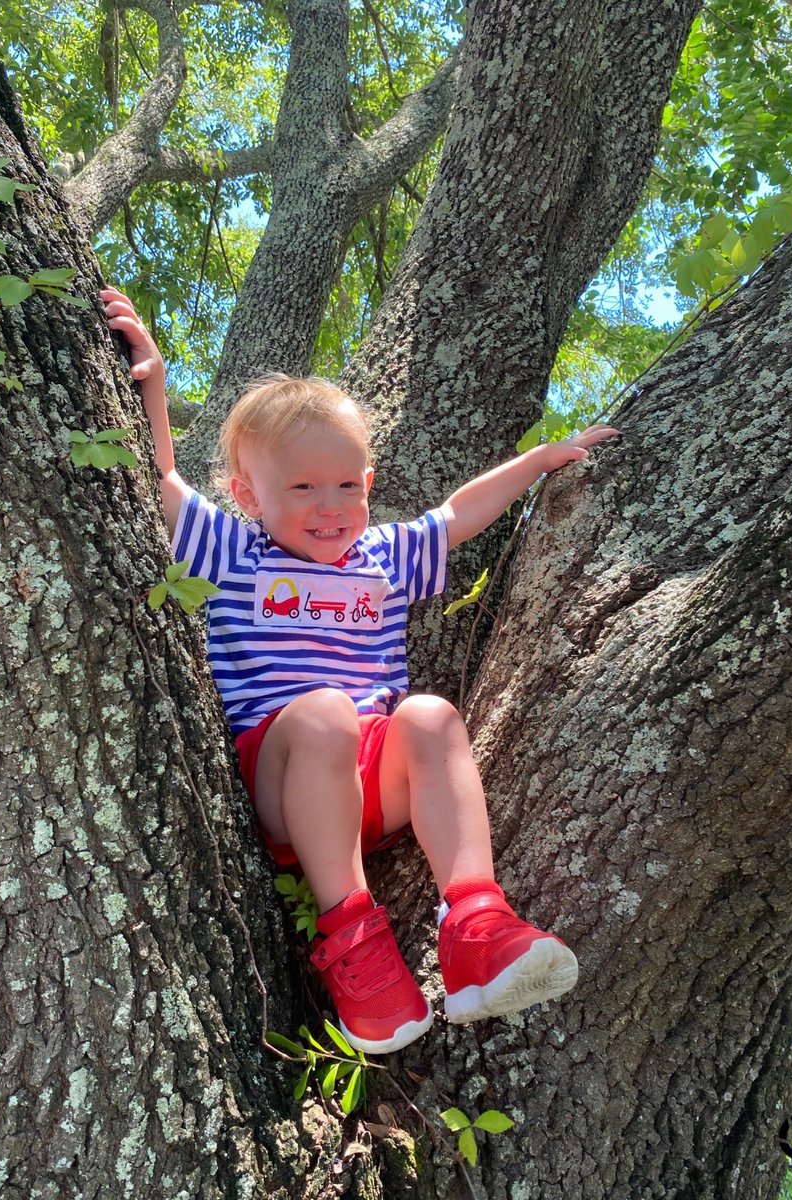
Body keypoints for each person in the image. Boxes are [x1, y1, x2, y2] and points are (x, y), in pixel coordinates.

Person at [102, 286, 619, 1054]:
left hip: (371, 785)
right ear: (247, 495)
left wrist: (542, 461)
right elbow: (158, 482)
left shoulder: (379, 558)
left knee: (431, 716)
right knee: (324, 714)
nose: (330, 506)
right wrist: (151, 383)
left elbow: (455, 515)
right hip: (283, 783)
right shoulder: (236, 553)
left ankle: (476, 922)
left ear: (368, 487)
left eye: (347, 485)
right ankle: (354, 939)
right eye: (302, 487)